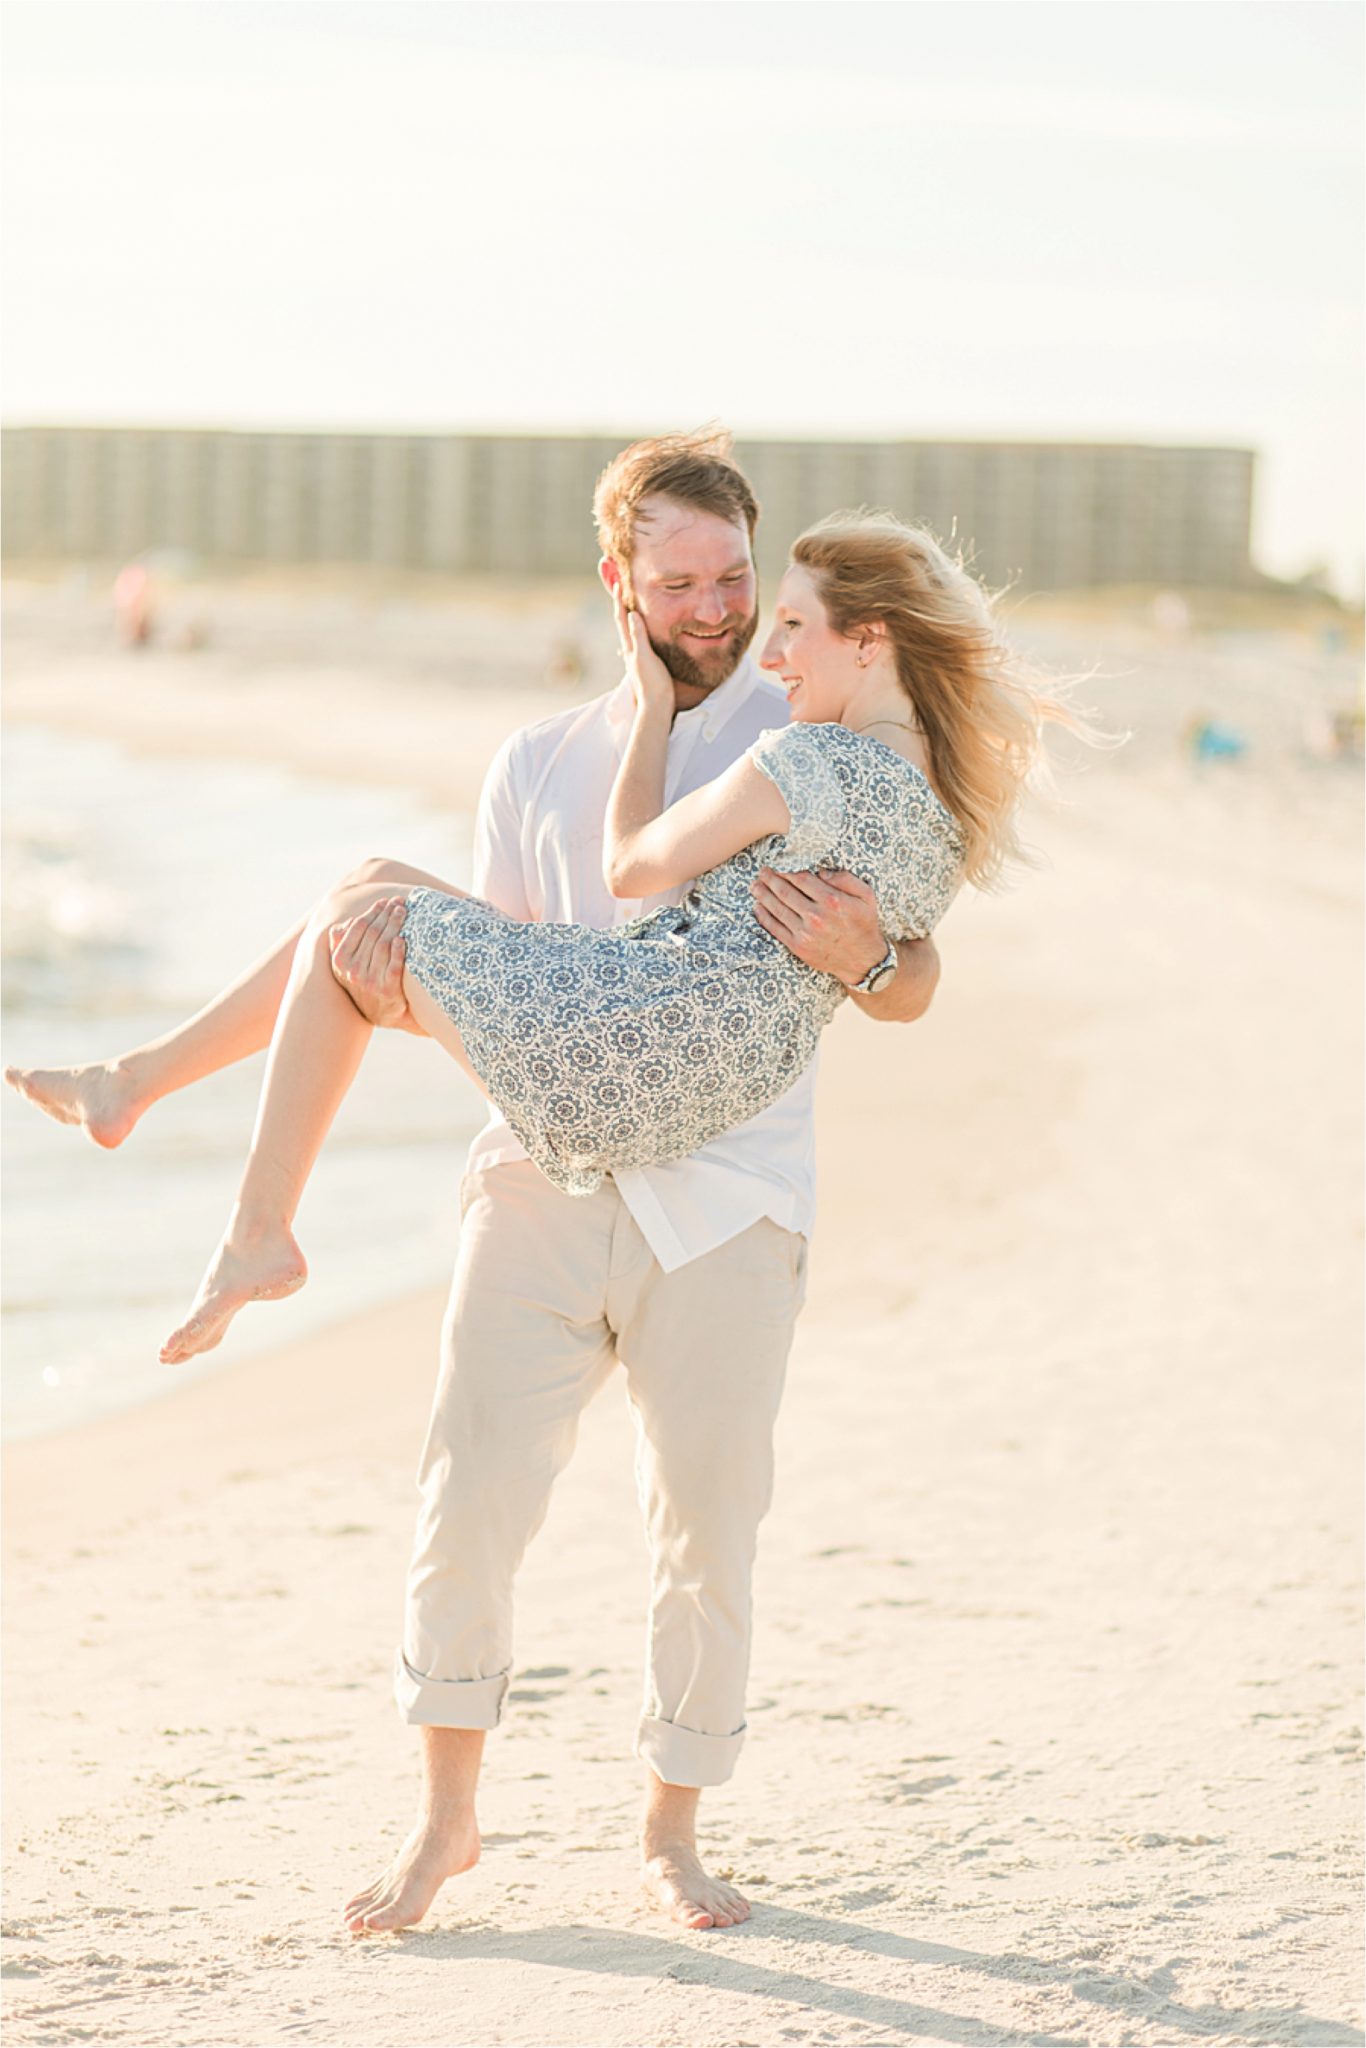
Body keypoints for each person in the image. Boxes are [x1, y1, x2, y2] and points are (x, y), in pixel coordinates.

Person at [6, 432, 1061, 1934]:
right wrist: (438, 991)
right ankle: (445, 1826)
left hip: (729, 1202)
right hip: (542, 1186)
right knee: (468, 1507)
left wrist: (873, 956)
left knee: (707, 1528)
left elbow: (911, 974)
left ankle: (672, 1835)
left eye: (732, 578)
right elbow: (521, 972)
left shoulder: (805, 711)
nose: (713, 611)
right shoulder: (539, 759)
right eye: (679, 581)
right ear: (616, 580)